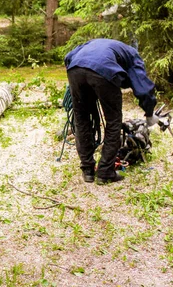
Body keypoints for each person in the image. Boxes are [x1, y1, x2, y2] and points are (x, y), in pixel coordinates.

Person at [64, 38, 158, 185]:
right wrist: (149, 112)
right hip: (104, 71)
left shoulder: (94, 44)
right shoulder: (132, 54)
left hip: (75, 69)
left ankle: (87, 170)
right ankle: (105, 172)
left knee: (81, 119)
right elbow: (142, 86)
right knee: (113, 122)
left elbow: (68, 57)